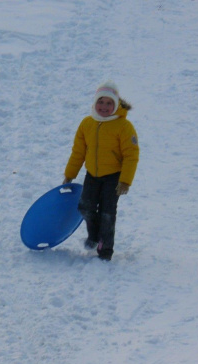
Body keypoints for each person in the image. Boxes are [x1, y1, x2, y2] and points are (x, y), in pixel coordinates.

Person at [63, 80, 139, 260]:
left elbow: (131, 155)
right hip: (92, 175)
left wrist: (125, 181)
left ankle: (105, 250)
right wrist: (69, 174)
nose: (104, 106)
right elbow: (78, 151)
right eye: (100, 102)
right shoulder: (87, 124)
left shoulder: (124, 127)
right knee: (85, 207)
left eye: (109, 103)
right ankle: (94, 236)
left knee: (107, 213)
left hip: (113, 177)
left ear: (116, 105)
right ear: (94, 102)